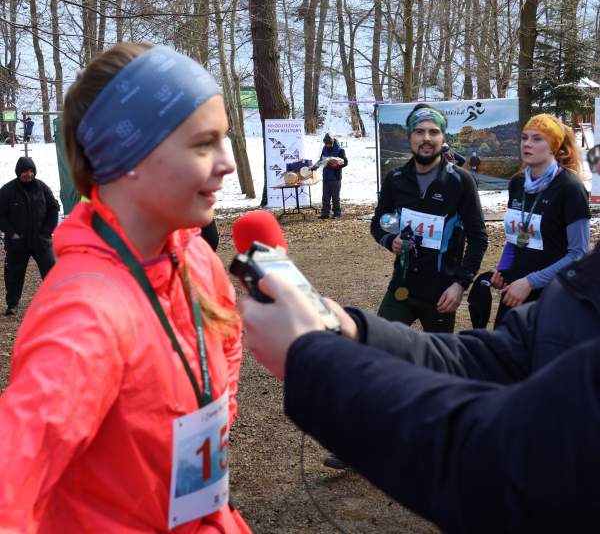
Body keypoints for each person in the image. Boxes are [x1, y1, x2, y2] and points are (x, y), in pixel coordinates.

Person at [0, 44, 251, 533]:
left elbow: (226, 345)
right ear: (129, 153)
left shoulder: (196, 256)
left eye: (224, 140)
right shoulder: (86, 311)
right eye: (204, 143)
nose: (228, 164)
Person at [238, 199, 600, 534]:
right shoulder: (587, 279)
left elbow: (505, 465)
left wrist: (319, 361)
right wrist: (359, 333)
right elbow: (492, 358)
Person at [371, 103, 488, 333]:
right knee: (376, 344)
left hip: (441, 295)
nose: (426, 138)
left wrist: (459, 285)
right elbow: (377, 224)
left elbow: (478, 238)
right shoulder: (395, 178)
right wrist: (390, 241)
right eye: (419, 131)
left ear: (442, 138)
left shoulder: (461, 181)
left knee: (437, 355)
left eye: (434, 131)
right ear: (409, 137)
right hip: (401, 289)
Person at [490, 114, 589, 327]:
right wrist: (503, 270)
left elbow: (578, 254)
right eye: (524, 138)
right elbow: (516, 237)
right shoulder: (517, 183)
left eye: (537, 139)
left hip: (555, 297)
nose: (527, 144)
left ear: (554, 146)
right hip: (515, 292)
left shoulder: (570, 188)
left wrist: (530, 282)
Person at [0, 157, 59, 315]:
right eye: (26, 171)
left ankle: (57, 301)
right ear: (19, 172)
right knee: (13, 274)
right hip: (17, 242)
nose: (29, 174)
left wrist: (46, 232)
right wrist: (12, 234)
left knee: (52, 271)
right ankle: (12, 303)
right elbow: (1, 215)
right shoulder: (7, 191)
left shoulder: (42, 188)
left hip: (41, 241)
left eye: (32, 171)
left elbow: (53, 208)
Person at [317, 133, 347, 219]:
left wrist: (337, 167)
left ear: (332, 143)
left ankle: (337, 213)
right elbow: (321, 160)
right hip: (326, 177)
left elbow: (345, 162)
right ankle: (325, 213)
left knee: (335, 197)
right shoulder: (324, 149)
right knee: (325, 197)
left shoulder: (340, 150)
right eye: (325, 143)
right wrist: (315, 166)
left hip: (335, 177)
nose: (326, 145)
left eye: (328, 143)